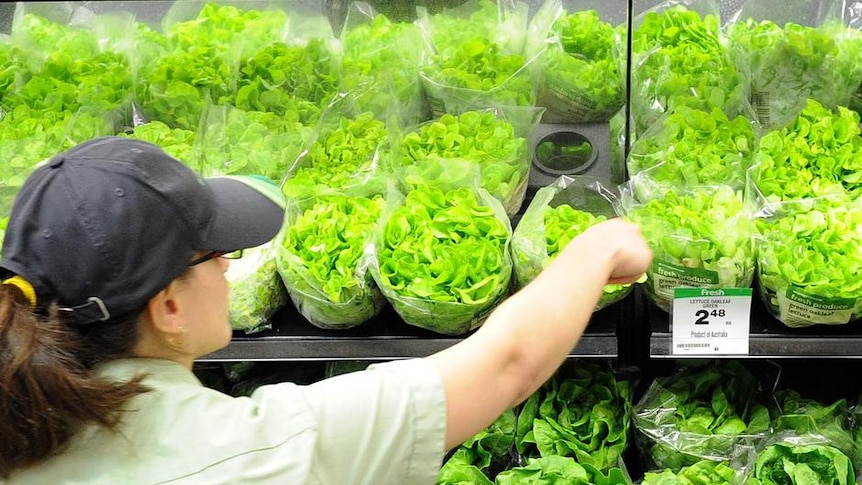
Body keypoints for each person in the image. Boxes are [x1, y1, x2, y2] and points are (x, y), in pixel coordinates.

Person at [0, 137, 652, 484]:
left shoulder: (20, 428)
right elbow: (509, 362)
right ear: (168, 304)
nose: (230, 265)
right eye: (214, 252)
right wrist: (595, 249)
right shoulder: (253, 453)